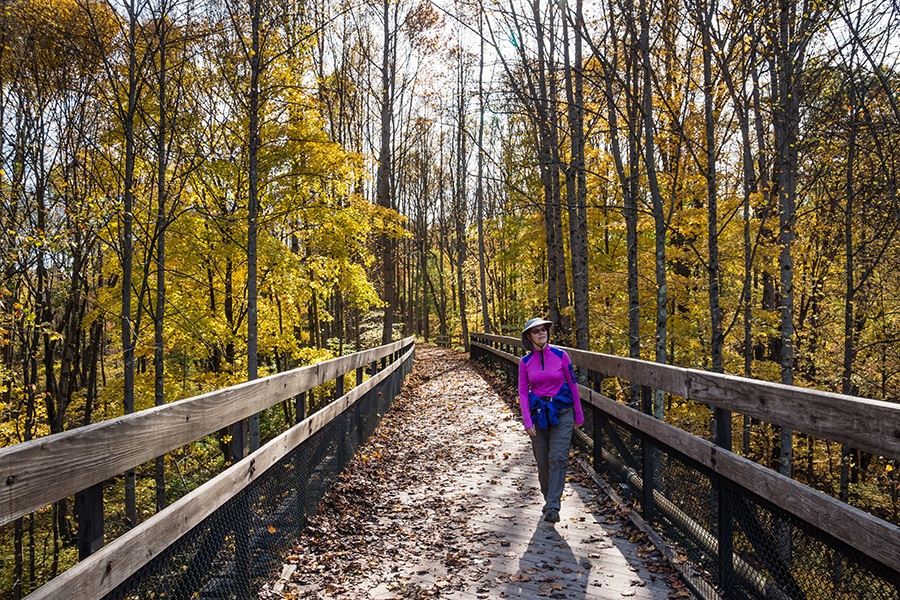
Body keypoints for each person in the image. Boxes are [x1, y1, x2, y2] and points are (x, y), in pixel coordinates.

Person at [518, 318, 584, 523]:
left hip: (562, 411)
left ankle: (554, 505)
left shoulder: (561, 356)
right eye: (536, 331)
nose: (541, 333)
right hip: (539, 414)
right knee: (543, 461)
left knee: (558, 457)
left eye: (544, 329)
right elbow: (523, 391)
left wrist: (579, 414)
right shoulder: (525, 363)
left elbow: (573, 384)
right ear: (529, 337)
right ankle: (549, 499)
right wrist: (527, 420)